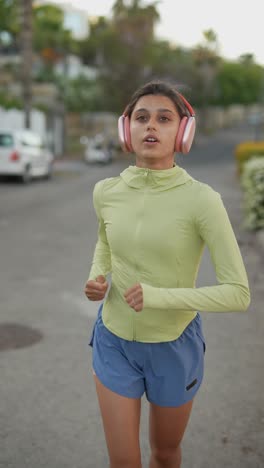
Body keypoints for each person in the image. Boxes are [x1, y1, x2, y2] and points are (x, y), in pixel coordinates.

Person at [84, 80, 250, 468]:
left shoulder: (203, 200)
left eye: (164, 118)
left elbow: (238, 293)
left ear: (183, 131)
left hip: (174, 345)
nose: (151, 126)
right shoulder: (105, 191)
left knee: (164, 453)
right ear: (127, 129)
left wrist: (160, 296)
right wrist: (98, 276)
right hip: (113, 340)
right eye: (141, 118)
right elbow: (105, 243)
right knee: (123, 462)